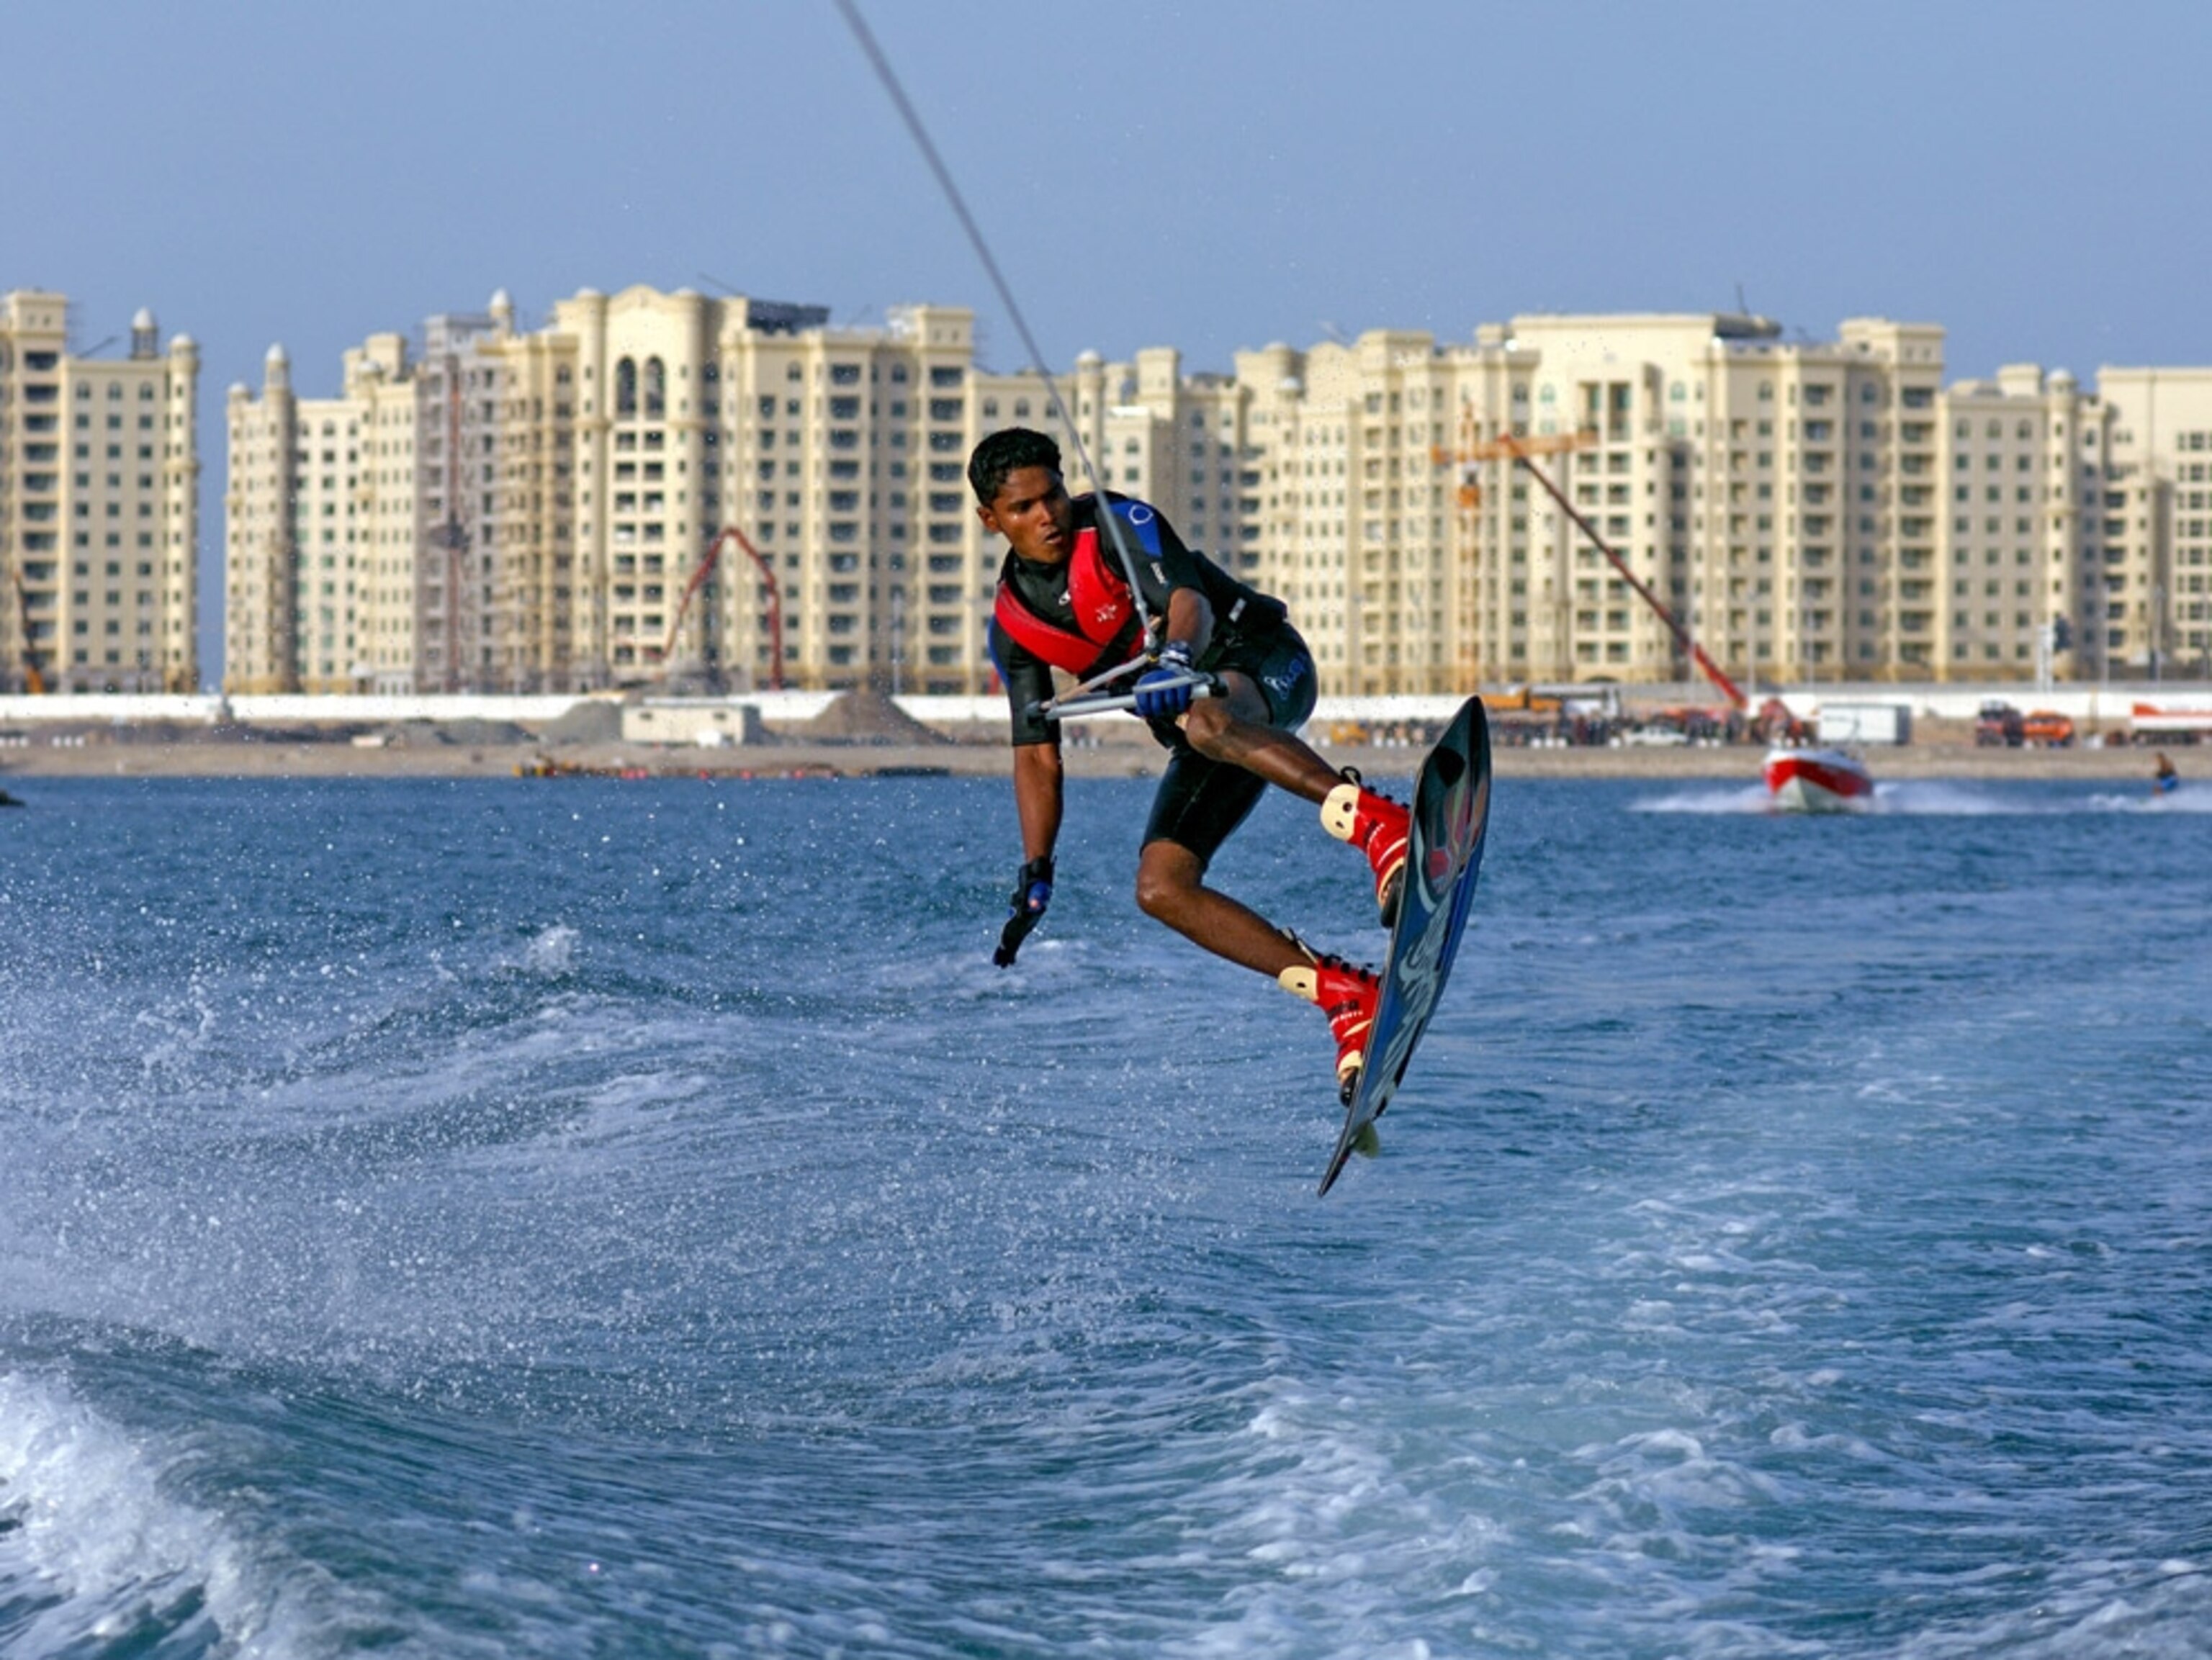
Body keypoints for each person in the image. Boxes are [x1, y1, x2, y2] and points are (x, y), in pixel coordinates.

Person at [972, 426, 1411, 1103]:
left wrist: (1177, 657)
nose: (1047, 516)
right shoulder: (1013, 629)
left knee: (1205, 718)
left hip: (1265, 664)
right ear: (991, 520)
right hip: (1208, 737)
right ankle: (1347, 997)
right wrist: (1038, 867)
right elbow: (1036, 753)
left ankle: (1381, 825)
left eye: (1052, 495)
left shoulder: (1118, 525)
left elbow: (1189, 603)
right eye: (1023, 508)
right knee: (1161, 887)